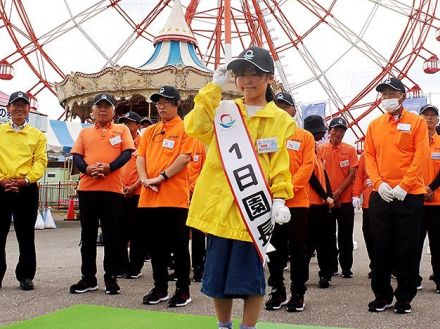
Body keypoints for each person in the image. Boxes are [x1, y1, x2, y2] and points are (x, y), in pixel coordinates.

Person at [184, 47, 295, 329]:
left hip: (252, 212)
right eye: (241, 74)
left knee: (251, 280)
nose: (247, 80)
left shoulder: (281, 120)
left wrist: (280, 198)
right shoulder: (224, 111)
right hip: (221, 209)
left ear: (269, 78)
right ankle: (223, 326)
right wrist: (212, 89)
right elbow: (194, 127)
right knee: (218, 278)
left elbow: (280, 163)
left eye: (255, 73)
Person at [365, 77, 429, 314]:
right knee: (380, 246)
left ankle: (404, 296)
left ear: (402, 95)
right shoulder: (374, 125)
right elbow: (369, 156)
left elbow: (420, 155)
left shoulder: (417, 123)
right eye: (383, 94)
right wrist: (379, 183)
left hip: (409, 195)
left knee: (407, 247)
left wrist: (405, 185)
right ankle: (382, 295)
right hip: (382, 195)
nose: (387, 98)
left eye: (391, 94)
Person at [70, 93, 135, 295]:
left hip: (112, 190)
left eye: (107, 106)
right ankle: (88, 277)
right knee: (87, 236)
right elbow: (77, 156)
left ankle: (111, 277)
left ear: (114, 111)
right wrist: (87, 169)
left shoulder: (122, 129)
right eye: (99, 107)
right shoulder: (85, 133)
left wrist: (110, 167)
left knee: (112, 236)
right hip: (87, 189)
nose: (103, 110)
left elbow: (127, 153)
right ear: (93, 111)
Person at [137, 85, 193, 307]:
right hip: (149, 197)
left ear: (177, 104)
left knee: (178, 245)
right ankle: (160, 287)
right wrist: (143, 179)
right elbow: (140, 156)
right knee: (155, 246)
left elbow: (184, 158)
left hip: (174, 197)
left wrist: (160, 177)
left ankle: (183, 290)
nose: (161, 106)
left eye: (166, 102)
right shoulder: (150, 131)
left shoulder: (186, 128)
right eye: (158, 102)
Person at [265, 92, 314, 312]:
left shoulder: (304, 136)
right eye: (278, 106)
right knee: (274, 249)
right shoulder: (266, 136)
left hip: (297, 203)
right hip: (270, 203)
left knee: (298, 250)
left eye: (286, 107)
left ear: (293, 110)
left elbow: (307, 167)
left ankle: (298, 292)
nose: (282, 110)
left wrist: (285, 192)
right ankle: (277, 290)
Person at [0, 91, 47, 291]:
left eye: (23, 105)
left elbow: (41, 162)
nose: (19, 108)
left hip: (26, 189)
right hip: (1, 187)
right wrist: (1, 180)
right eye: (15, 105)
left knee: (26, 235)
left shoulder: (37, 135)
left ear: (29, 109)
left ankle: (26, 276)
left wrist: (26, 180)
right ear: (9, 108)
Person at [319, 117, 358, 278]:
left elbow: (352, 174)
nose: (338, 133)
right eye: (335, 129)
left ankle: (346, 267)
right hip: (325, 201)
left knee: (345, 236)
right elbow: (317, 174)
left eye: (341, 130)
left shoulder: (350, 150)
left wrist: (338, 192)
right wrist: (328, 195)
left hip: (345, 201)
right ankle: (331, 266)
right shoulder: (320, 149)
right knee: (328, 236)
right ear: (329, 131)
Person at [303, 115, 335, 289]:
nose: (320, 135)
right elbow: (310, 176)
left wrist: (329, 197)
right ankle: (302, 276)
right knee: (308, 244)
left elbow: (323, 175)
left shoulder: (317, 149)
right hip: (310, 203)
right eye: (318, 132)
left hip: (321, 204)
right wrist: (325, 196)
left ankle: (326, 274)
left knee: (326, 243)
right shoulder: (305, 147)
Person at [118, 111, 145, 279]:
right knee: (120, 231)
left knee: (137, 232)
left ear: (137, 125)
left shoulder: (143, 142)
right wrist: (121, 186)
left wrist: (134, 186)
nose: (126, 126)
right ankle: (121, 264)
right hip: (119, 191)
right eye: (124, 122)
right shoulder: (118, 142)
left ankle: (135, 266)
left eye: (130, 123)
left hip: (138, 192)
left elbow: (147, 168)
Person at [417, 104, 440, 294]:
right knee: (413, 242)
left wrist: (431, 187)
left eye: (433, 115)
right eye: (426, 115)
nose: (430, 118)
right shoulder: (413, 142)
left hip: (438, 201)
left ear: (438, 120)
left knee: (438, 243)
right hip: (415, 200)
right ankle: (412, 278)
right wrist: (420, 188)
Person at [187, 138, 207, 282]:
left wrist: (192, 188)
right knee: (180, 233)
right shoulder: (182, 139)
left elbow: (206, 169)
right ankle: (180, 268)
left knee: (198, 231)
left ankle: (199, 267)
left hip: (197, 192)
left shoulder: (202, 142)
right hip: (178, 193)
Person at [352, 152, 374, 278]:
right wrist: (356, 194)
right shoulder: (366, 155)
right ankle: (375, 265)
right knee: (369, 235)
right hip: (368, 203)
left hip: (387, 201)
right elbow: (359, 177)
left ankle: (391, 266)